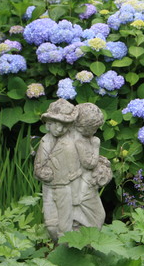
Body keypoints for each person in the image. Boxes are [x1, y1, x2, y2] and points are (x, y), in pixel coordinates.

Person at [33, 99, 81, 240]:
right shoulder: (45, 141)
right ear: (48, 124)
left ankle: (65, 253)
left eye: (64, 125)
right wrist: (42, 173)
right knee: (51, 225)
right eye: (56, 124)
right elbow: (38, 166)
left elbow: (84, 163)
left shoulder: (73, 141)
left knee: (65, 227)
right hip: (48, 188)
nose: (59, 129)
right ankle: (58, 247)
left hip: (65, 188)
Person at [72, 103, 112, 230]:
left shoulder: (83, 138)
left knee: (95, 216)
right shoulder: (78, 140)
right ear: (83, 126)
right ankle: (81, 242)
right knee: (98, 216)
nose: (95, 132)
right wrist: (96, 146)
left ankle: (84, 243)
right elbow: (89, 163)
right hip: (80, 185)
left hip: (85, 183)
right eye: (93, 128)